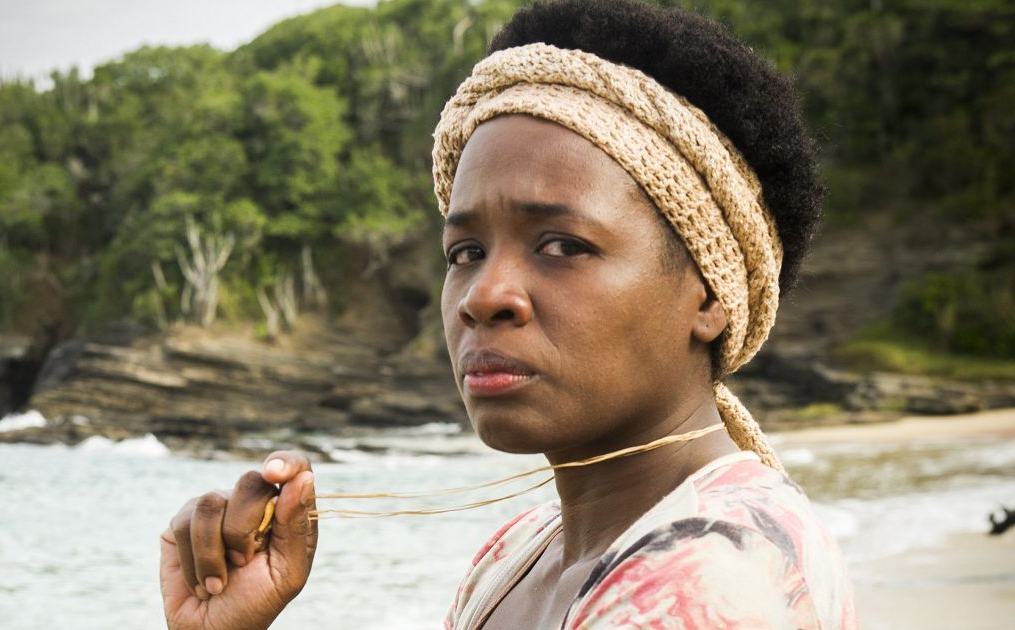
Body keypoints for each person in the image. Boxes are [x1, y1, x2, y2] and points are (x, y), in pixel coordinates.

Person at [158, 0, 858, 628]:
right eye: (465, 252)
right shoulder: (522, 552)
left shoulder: (699, 586)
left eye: (563, 245)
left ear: (708, 295)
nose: (483, 296)